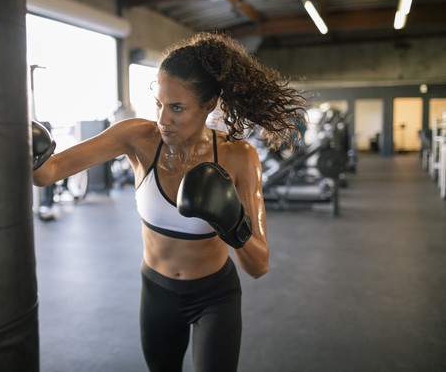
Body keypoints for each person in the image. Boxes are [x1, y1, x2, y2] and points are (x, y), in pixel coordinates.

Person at [32, 31, 306, 372]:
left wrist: (231, 221)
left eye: (177, 108)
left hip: (215, 296)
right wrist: (31, 147)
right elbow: (48, 173)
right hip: (158, 292)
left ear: (208, 106)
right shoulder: (137, 138)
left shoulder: (239, 156)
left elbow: (258, 265)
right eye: (159, 104)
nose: (163, 120)